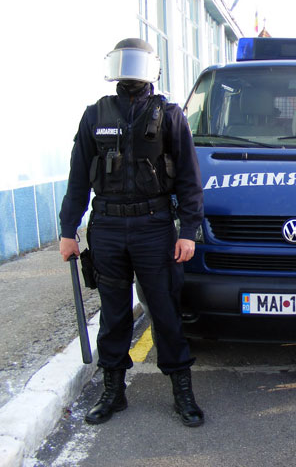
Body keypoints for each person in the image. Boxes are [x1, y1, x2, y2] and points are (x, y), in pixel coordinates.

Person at [59, 38, 205, 427]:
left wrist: (188, 230)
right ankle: (113, 391)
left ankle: (182, 391)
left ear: (152, 69)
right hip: (107, 227)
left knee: (165, 311)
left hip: (153, 226)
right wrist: (68, 229)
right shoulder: (95, 114)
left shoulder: (169, 115)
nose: (130, 71)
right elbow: (78, 177)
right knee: (113, 314)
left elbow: (189, 179)